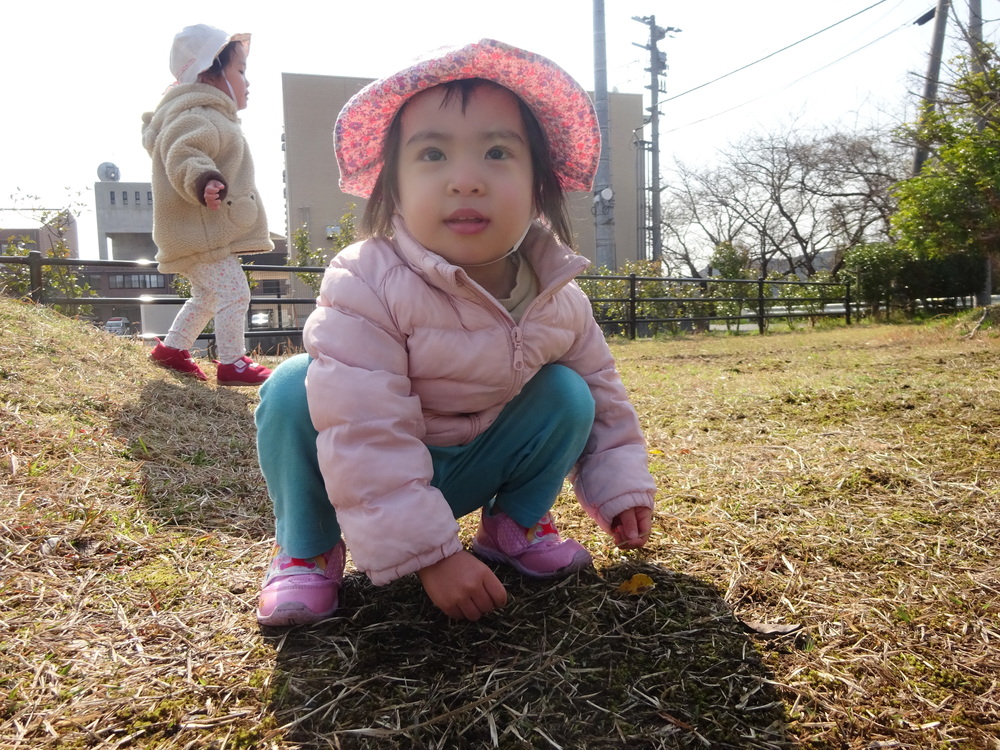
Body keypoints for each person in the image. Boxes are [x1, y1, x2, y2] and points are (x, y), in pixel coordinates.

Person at [255, 39, 657, 626]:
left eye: (497, 152)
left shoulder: (556, 294)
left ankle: (513, 527)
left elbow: (605, 400)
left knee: (571, 392)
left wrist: (620, 490)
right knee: (295, 385)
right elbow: (365, 428)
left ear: (541, 185)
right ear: (391, 185)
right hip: (364, 475)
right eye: (433, 155)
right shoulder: (366, 280)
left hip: (474, 463)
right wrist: (433, 557)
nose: (466, 180)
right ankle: (308, 550)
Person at [141, 24, 273, 386]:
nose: (248, 81)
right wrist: (203, 180)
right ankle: (232, 362)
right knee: (234, 291)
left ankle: (172, 350)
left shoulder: (205, 113)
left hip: (196, 230)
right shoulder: (199, 114)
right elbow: (183, 152)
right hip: (202, 230)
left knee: (208, 294)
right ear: (209, 73)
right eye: (241, 71)